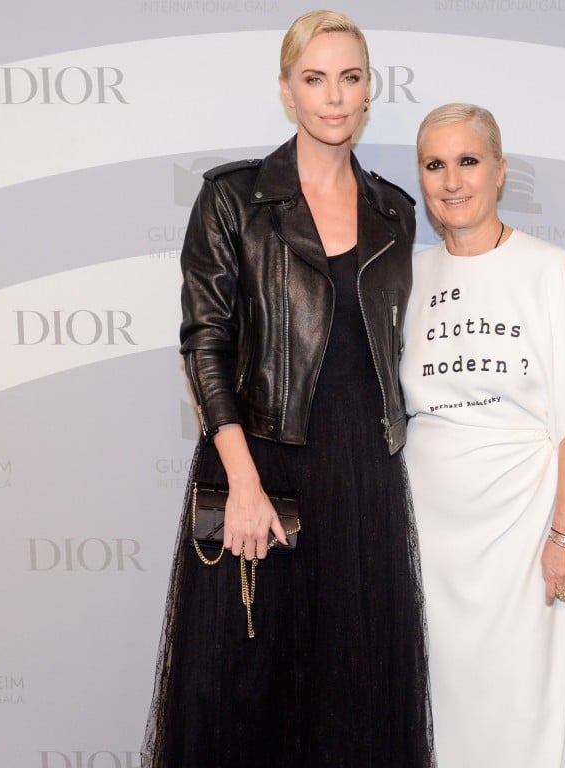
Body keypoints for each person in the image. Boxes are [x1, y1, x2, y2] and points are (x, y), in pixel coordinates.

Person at [142, 11, 434, 768]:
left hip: (363, 476)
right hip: (259, 463)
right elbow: (205, 343)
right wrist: (242, 483)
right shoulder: (235, 199)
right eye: (315, 79)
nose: (334, 97)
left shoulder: (395, 212)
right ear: (286, 91)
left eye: (350, 77)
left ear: (370, 90)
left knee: (354, 693)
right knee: (239, 691)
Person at [400, 103, 565, 768]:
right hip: (428, 538)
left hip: (522, 534)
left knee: (523, 705)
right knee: (437, 705)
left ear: (500, 172)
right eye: (435, 165)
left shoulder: (548, 269)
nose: (453, 181)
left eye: (468, 161)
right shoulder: (408, 278)